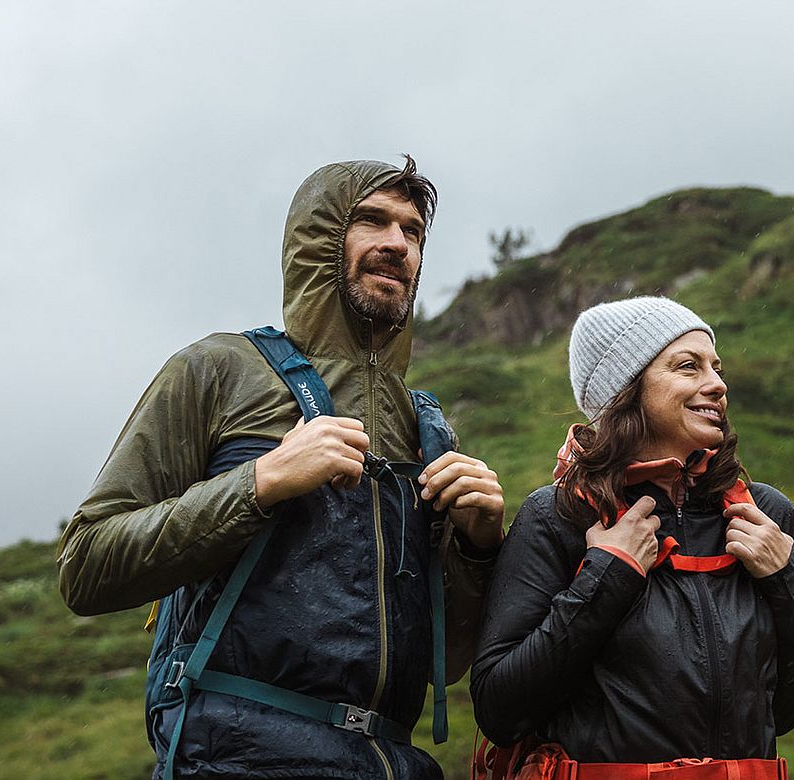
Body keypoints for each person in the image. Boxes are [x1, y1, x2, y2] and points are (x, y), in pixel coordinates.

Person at [58, 156, 505, 780]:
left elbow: (446, 663)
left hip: (394, 763)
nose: (396, 244)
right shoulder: (217, 370)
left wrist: (480, 551)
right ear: (321, 240)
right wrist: (260, 482)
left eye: (412, 232)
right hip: (236, 758)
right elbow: (87, 566)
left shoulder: (427, 429)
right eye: (372, 221)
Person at [471, 296, 794, 778]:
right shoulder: (558, 516)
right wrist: (607, 576)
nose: (717, 385)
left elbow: (785, 712)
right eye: (687, 367)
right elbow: (500, 710)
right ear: (626, 390)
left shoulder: (765, 515)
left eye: (716, 369)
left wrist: (789, 583)